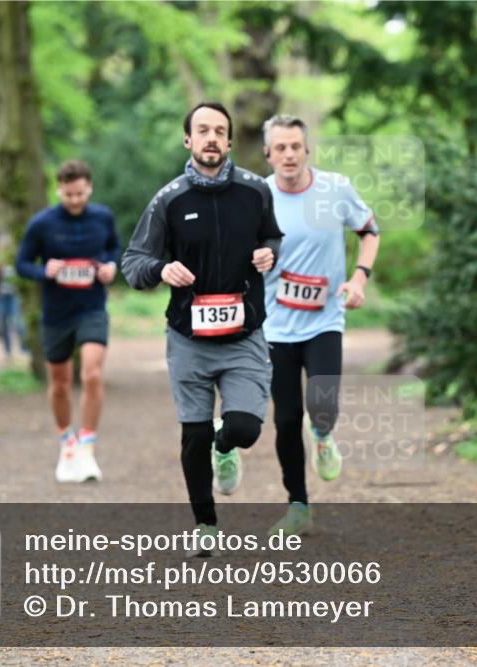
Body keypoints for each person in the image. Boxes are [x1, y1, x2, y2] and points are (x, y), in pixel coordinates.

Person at [121, 102, 283, 555]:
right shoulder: (168, 199)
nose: (212, 138)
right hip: (188, 337)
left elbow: (272, 237)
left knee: (245, 428)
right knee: (192, 435)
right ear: (188, 140)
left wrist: (268, 254)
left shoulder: (255, 191)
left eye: (220, 131)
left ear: (229, 141)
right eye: (202, 130)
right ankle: (206, 524)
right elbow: (133, 264)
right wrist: (161, 269)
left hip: (244, 334)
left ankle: (225, 445)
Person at [260, 114, 380, 536]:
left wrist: (359, 276)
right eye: (280, 148)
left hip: (325, 319)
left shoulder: (335, 189)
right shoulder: (258, 197)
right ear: (268, 154)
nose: (289, 154)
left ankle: (324, 435)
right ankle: (298, 505)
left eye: (296, 146)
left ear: (306, 149)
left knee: (322, 405)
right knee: (286, 417)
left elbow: (369, 230)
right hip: (275, 326)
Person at [16, 160, 120, 484]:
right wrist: (42, 271)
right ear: (58, 189)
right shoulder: (42, 223)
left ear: (89, 188)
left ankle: (87, 445)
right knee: (59, 383)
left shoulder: (102, 217)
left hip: (92, 308)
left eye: (79, 193)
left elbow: (114, 247)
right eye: (68, 194)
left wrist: (111, 266)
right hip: (56, 313)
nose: (75, 200)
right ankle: (67, 443)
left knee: (91, 373)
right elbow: (21, 263)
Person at [0, 261, 27, 362]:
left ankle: (25, 349)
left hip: (13, 297)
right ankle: (8, 352)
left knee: (19, 323)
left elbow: (21, 281)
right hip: (1, 298)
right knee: (3, 326)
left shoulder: (16, 261)